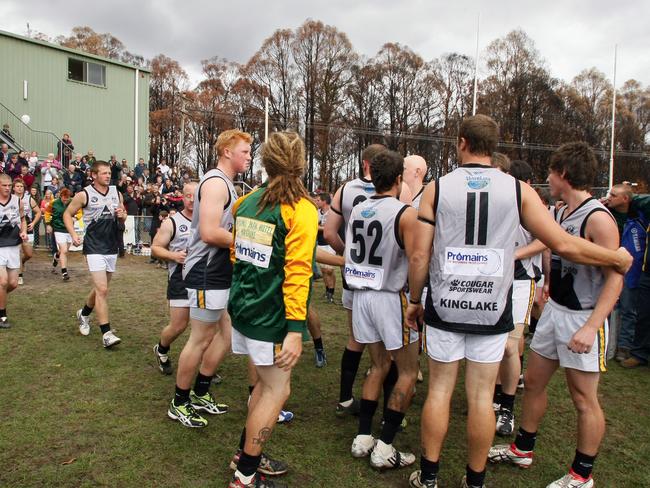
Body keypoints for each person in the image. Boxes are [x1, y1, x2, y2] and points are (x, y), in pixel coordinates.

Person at [405, 116, 631, 488]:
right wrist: (615, 258)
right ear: (492, 147)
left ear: (461, 143)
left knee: (440, 391)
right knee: (480, 398)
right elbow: (561, 243)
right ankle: (474, 481)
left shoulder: (437, 188)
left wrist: (415, 299)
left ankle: (428, 478)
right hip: (492, 307)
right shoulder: (518, 190)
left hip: (446, 304)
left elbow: (418, 256)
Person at [226, 131, 317, 488]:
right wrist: (295, 329)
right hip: (271, 317)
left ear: (267, 162)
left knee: (266, 388)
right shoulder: (301, 210)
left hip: (246, 308)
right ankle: (245, 476)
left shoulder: (247, 203)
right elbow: (298, 271)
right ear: (301, 163)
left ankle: (244, 455)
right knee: (276, 391)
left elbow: (238, 255)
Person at [167, 129, 251, 428]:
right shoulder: (216, 183)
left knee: (227, 336)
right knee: (200, 339)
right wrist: (249, 242)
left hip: (218, 270)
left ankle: (201, 392)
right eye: (245, 151)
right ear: (227, 150)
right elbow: (209, 232)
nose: (249, 157)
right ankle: (179, 401)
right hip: (205, 270)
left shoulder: (226, 182)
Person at [346, 150, 421, 471]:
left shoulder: (360, 209)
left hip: (364, 297)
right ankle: (385, 445)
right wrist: (416, 299)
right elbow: (417, 259)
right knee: (407, 372)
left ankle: (363, 437)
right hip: (392, 297)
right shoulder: (405, 213)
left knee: (377, 367)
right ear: (398, 179)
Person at [324, 144, 411, 417]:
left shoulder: (346, 189)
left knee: (356, 340)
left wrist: (348, 257)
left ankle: (345, 399)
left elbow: (328, 233)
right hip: (387, 283)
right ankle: (390, 412)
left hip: (357, 277)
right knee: (392, 351)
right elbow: (407, 236)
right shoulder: (401, 192)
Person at [493, 160, 543, 437]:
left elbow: (546, 239)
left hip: (521, 281)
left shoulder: (528, 201)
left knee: (511, 347)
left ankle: (507, 407)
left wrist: (515, 255)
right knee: (491, 343)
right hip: (492, 281)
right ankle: (490, 397)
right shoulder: (495, 201)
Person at [64, 160, 126, 348]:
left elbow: (122, 214)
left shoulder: (116, 192)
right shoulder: (84, 194)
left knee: (101, 288)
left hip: (111, 246)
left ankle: (83, 314)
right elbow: (67, 214)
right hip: (93, 247)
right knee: (103, 290)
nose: (108, 175)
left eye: (109, 173)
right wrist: (74, 234)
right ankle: (106, 333)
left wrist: (122, 215)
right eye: (104, 173)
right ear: (94, 175)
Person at [151, 182, 197, 374]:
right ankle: (161, 349)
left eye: (196, 195)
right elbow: (155, 248)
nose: (192, 199)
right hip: (180, 279)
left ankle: (202, 365)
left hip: (205, 279)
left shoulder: (209, 220)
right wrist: (174, 256)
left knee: (204, 328)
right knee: (179, 325)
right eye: (188, 195)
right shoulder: (172, 222)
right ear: (182, 197)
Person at [603, 184, 648, 361]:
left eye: (614, 195)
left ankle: (624, 346)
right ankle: (606, 343)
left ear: (625, 199)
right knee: (606, 304)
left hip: (633, 269)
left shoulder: (640, 215)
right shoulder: (606, 213)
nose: (609, 197)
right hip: (610, 264)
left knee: (628, 309)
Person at [0, 173, 27, 328]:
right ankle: (2, 316)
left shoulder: (17, 201)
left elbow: (23, 219)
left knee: (13, 283)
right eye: (4, 185)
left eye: (9, 186)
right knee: (2, 282)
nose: (7, 188)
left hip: (13, 245)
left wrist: (23, 231)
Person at [12, 178, 41, 285]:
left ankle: (22, 262)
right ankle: (19, 275)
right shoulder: (10, 199)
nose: (20, 189)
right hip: (14, 229)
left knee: (28, 254)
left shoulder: (29, 199)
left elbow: (38, 212)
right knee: (18, 252)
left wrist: (33, 223)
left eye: (21, 187)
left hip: (27, 228)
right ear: (13, 188)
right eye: (17, 186)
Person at [47, 189, 73, 281]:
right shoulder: (54, 203)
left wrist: (76, 218)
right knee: (64, 250)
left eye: (67, 199)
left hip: (69, 229)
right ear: (60, 196)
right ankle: (64, 272)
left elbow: (79, 212)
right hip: (58, 228)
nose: (65, 200)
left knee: (64, 251)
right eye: (64, 199)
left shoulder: (72, 202)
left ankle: (56, 257)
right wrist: (48, 224)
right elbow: (47, 212)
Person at [315, 192, 336, 304]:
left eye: (318, 200)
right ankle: (327, 290)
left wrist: (319, 227)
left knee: (329, 270)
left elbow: (331, 228)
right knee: (323, 270)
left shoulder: (332, 213)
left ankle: (331, 293)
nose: (316, 202)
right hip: (320, 243)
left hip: (330, 243)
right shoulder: (317, 213)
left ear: (324, 201)